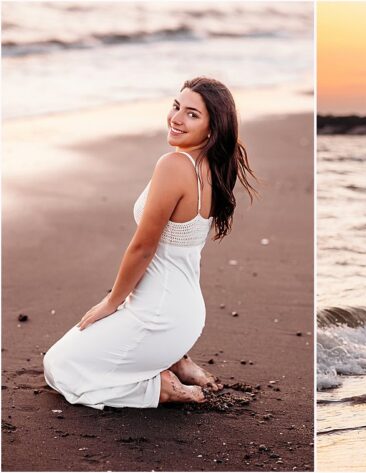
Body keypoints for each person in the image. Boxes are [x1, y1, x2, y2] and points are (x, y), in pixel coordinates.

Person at [43, 77, 257, 409]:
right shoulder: (212, 170)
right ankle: (176, 361)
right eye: (176, 106)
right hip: (179, 314)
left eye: (192, 114)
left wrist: (111, 303)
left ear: (212, 129)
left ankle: (161, 388)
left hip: (160, 317)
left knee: (59, 367)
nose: (176, 118)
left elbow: (144, 247)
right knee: (81, 354)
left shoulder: (173, 165)